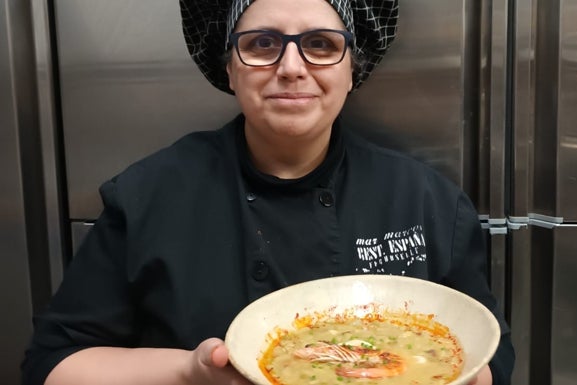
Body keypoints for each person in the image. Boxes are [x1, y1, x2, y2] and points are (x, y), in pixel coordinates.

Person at [22, 0, 515, 384]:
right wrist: (191, 373)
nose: (292, 66)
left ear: (353, 68)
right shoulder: (150, 194)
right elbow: (53, 363)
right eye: (262, 44)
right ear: (230, 68)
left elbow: (492, 356)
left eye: (321, 44)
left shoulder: (426, 199)